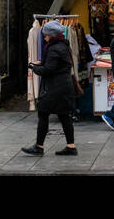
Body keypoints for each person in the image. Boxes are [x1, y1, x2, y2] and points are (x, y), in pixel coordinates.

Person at [22, 20, 78, 156]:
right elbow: (56, 64)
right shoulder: (63, 45)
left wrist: (34, 67)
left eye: (46, 35)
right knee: (64, 116)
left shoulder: (54, 48)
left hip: (55, 88)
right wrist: (42, 62)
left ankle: (39, 147)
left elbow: (48, 70)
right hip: (64, 86)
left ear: (51, 35)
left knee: (43, 113)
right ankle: (71, 146)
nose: (44, 37)